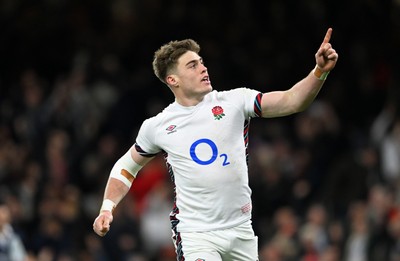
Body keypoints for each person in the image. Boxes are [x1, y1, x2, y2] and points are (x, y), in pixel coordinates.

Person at [93, 28, 338, 260]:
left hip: (241, 229)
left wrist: (319, 72)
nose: (203, 68)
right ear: (173, 79)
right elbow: (126, 167)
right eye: (192, 65)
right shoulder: (158, 126)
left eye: (201, 62)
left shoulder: (235, 101)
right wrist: (107, 208)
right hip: (197, 234)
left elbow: (291, 101)